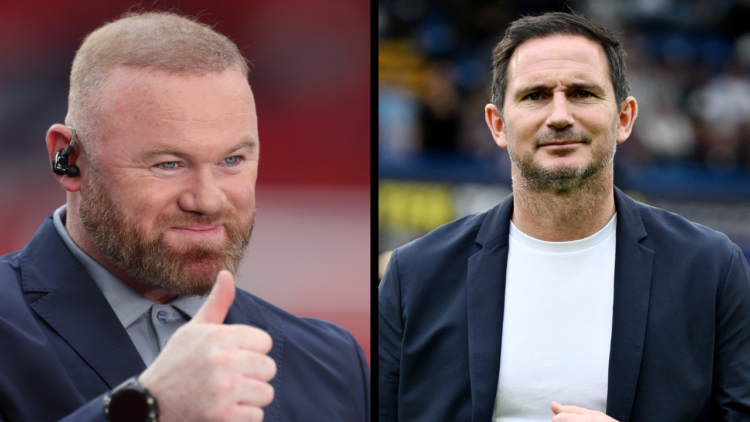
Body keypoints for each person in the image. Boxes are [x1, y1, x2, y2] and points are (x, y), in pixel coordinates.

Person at [379, 11, 750, 422]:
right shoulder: (415, 276)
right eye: (535, 95)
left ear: (624, 118)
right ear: (497, 124)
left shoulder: (709, 268)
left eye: (582, 93)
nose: (559, 116)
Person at [0, 11, 370, 422]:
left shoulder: (334, 364)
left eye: (232, 160)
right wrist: (144, 410)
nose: (207, 201)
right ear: (68, 159)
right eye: (169, 164)